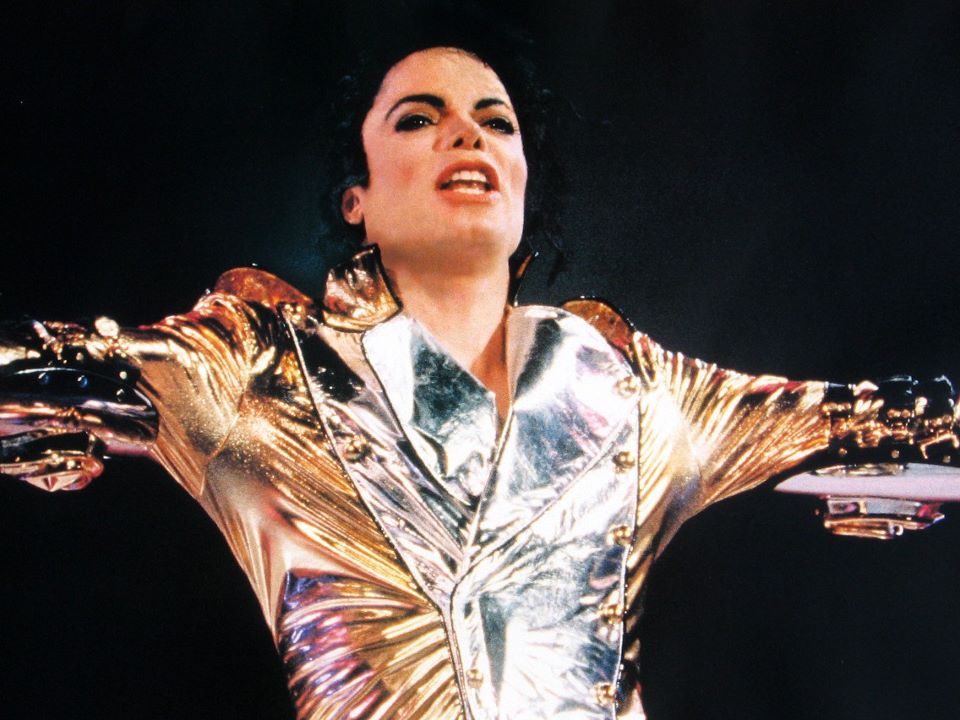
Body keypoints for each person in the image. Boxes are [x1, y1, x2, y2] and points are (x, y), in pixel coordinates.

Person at [2, 40, 958, 720]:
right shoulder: (259, 366)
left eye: (495, 122)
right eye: (420, 119)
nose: (467, 135)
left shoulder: (634, 387)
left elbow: (891, 426)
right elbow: (58, 368)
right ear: (356, 199)